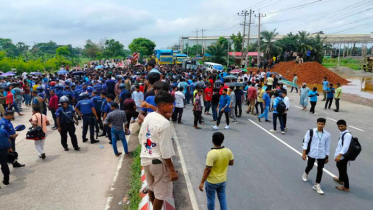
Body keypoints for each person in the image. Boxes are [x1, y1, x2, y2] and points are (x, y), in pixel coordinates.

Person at [138, 91, 178, 210]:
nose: (173, 106)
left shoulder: (149, 116)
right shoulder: (164, 123)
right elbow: (165, 151)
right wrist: (172, 170)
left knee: (151, 187)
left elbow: (141, 137)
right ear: (162, 106)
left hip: (145, 158)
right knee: (160, 194)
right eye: (171, 104)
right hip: (158, 163)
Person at [199, 132, 234, 210]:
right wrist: (222, 160)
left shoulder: (211, 154)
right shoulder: (228, 151)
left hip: (212, 181)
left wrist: (202, 182)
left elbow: (208, 169)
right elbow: (231, 163)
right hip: (222, 180)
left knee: (211, 199)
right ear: (222, 140)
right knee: (222, 198)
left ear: (212, 140)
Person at [301, 118, 331, 195]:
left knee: (320, 169)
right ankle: (306, 173)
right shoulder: (311, 132)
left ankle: (317, 185)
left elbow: (327, 146)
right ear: (316, 123)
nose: (321, 125)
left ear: (324, 125)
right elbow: (306, 142)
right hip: (312, 153)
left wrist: (327, 156)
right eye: (319, 124)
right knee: (310, 166)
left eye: (322, 124)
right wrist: (304, 153)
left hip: (322, 154)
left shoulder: (327, 135)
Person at [333, 119, 351, 192]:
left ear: (346, 126)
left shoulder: (347, 135)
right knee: (339, 166)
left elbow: (345, 147)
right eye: (339, 126)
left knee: (343, 171)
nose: (340, 128)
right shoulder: (343, 133)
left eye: (342, 126)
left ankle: (346, 187)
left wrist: (339, 156)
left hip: (343, 156)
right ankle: (340, 179)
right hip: (341, 155)